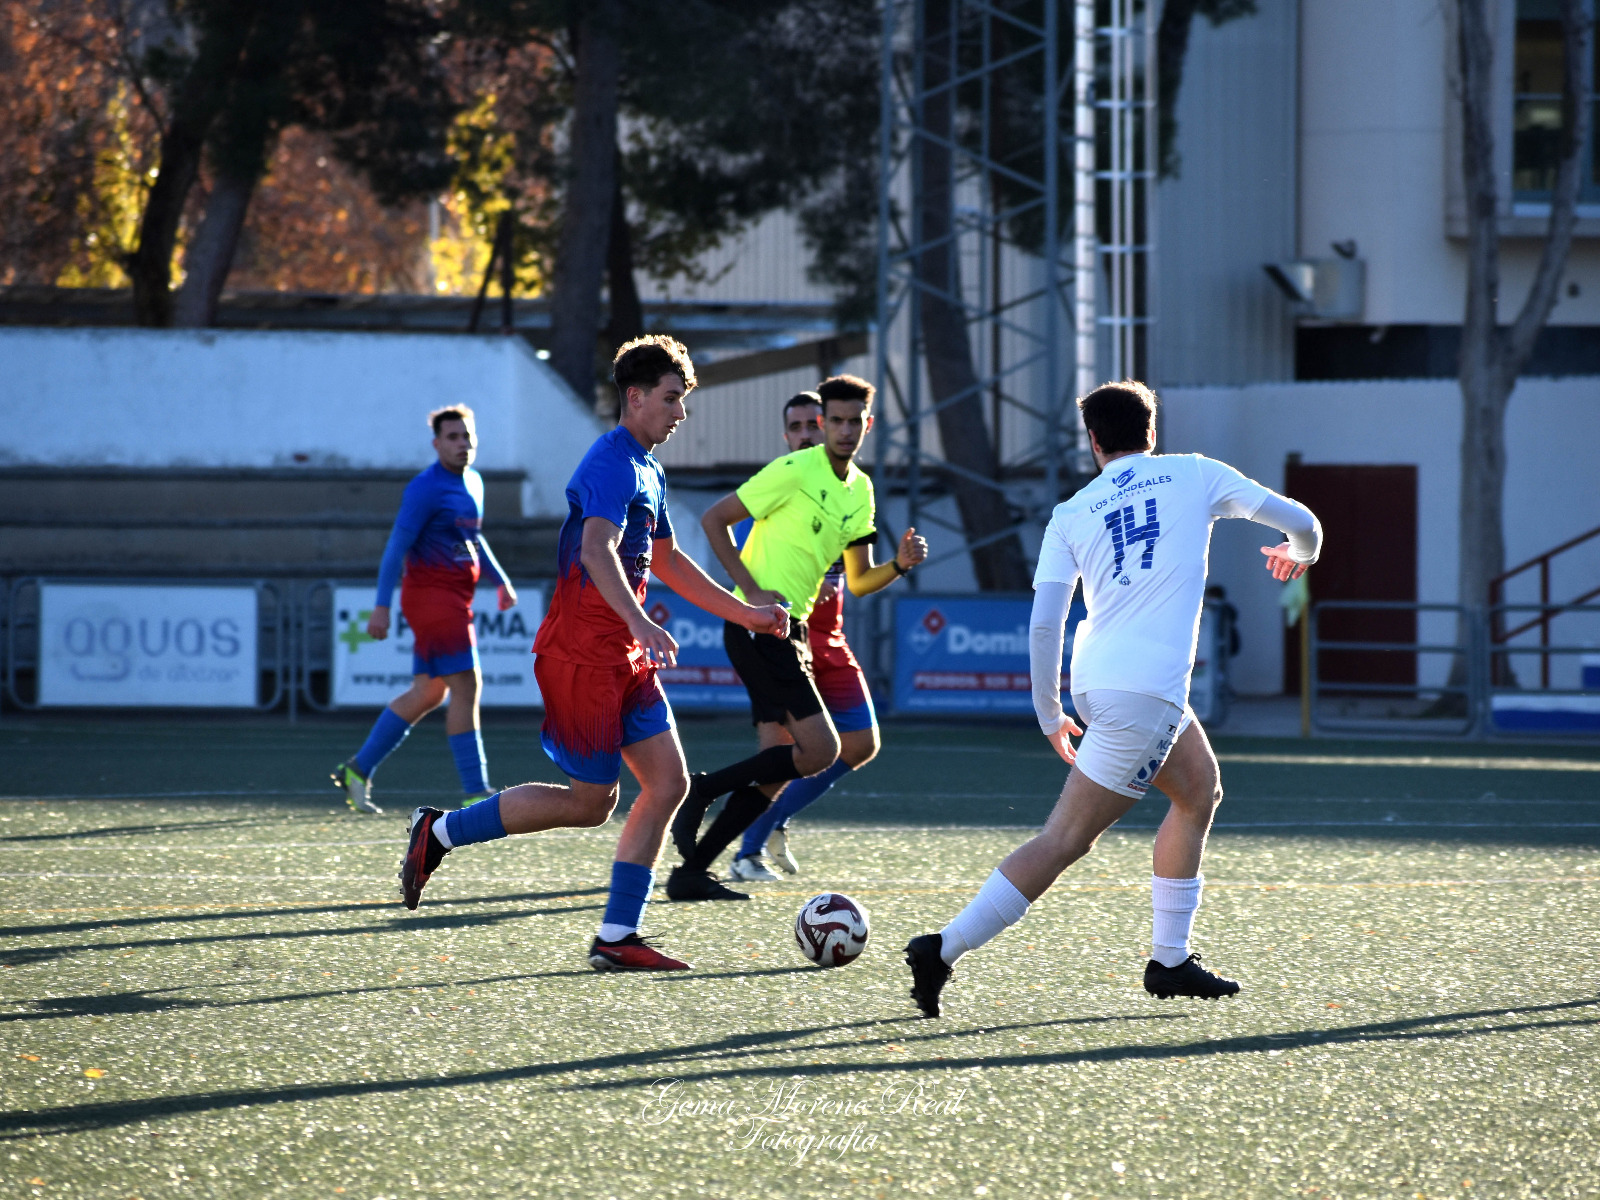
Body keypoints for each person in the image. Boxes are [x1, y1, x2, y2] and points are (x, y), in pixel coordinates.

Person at [902, 380, 1322, 1017]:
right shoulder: (1195, 474)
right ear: (1152, 433)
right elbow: (1303, 523)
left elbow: (1046, 623)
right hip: (1145, 694)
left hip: (1098, 683)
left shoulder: (1071, 512)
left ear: (1093, 442)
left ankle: (1171, 961)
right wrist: (1299, 554)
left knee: (1197, 789)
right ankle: (941, 948)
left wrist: (1050, 712)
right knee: (1066, 839)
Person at [396, 335, 788, 971]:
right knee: (590, 803)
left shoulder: (649, 469)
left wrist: (747, 613)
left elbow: (669, 561)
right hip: (581, 655)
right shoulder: (609, 462)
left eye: (682, 400)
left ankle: (617, 935)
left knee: (668, 783)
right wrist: (640, 622)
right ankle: (438, 832)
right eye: (670, 399)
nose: (679, 413)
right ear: (634, 399)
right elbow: (595, 551)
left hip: (622, 658)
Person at [666, 374, 928, 901]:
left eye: (855, 421)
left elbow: (858, 579)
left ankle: (692, 871)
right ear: (823, 422)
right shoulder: (792, 470)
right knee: (823, 749)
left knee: (776, 768)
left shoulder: (862, 489)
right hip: (762, 629)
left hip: (798, 631)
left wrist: (897, 567)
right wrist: (751, 592)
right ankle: (701, 789)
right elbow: (715, 520)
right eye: (835, 420)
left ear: (867, 424)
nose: (844, 429)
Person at [724, 391, 884, 883]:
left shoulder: (849, 487)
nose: (808, 433)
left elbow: (857, 572)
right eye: (796, 428)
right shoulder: (783, 487)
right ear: (786, 436)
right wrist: (750, 597)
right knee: (780, 749)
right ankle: (744, 848)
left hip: (830, 639)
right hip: (783, 638)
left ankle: (772, 821)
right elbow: (744, 552)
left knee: (861, 743)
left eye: (814, 424)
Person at [331, 405, 515, 814]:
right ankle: (475, 790)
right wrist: (381, 606)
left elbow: (473, 540)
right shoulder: (424, 488)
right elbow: (396, 547)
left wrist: (499, 580)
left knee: (429, 691)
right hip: (432, 599)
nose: (462, 444)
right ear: (436, 444)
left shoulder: (475, 482)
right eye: (452, 437)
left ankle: (358, 769)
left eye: (467, 436)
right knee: (466, 686)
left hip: (456, 598)